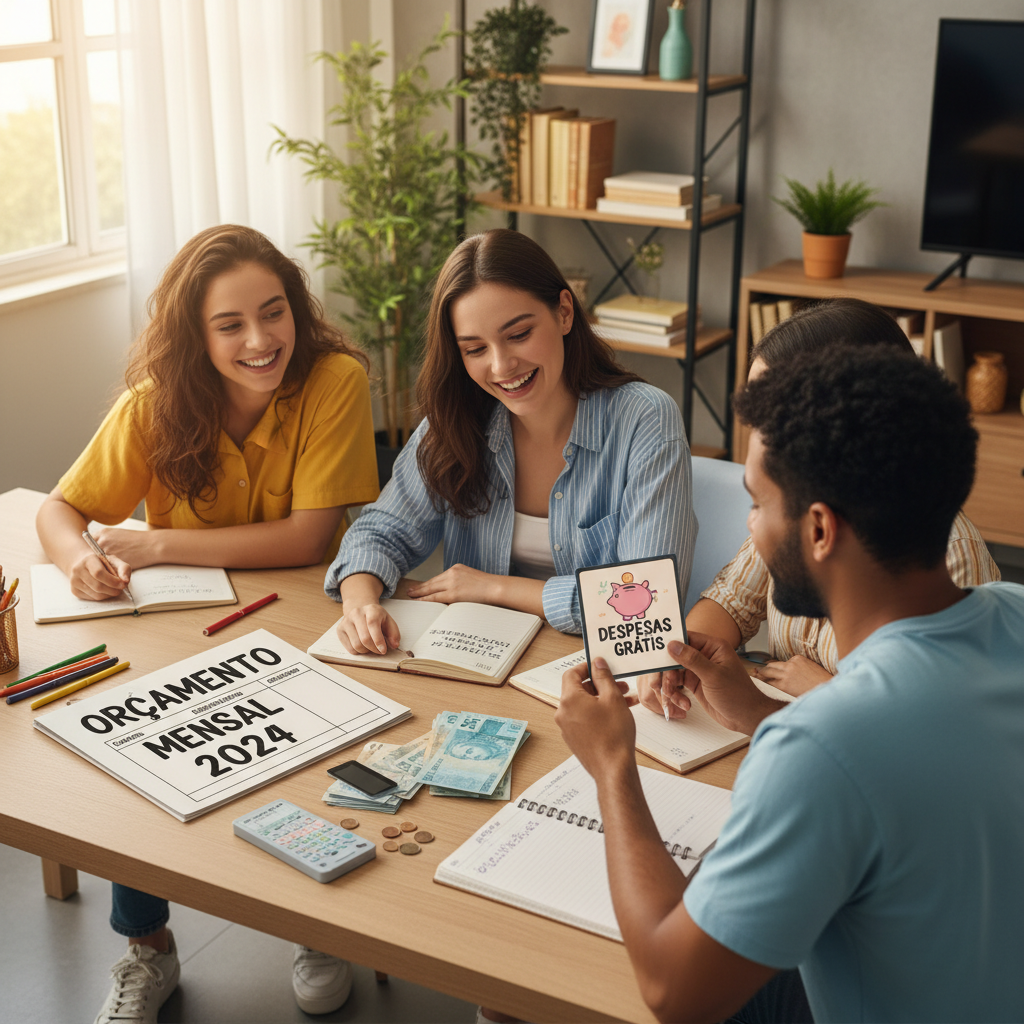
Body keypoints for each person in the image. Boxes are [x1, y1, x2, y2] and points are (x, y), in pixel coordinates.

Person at [555, 346, 1024, 1022]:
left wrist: (611, 766)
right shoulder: (1010, 611)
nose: (749, 526)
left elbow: (674, 993)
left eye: (757, 503)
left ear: (820, 528)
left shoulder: (825, 746)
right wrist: (758, 714)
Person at [36, 224, 380, 1023]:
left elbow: (309, 537)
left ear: (296, 310)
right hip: (186, 630)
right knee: (136, 755)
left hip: (298, 618)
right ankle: (145, 948)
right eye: (231, 325)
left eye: (274, 313)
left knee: (302, 739)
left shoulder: (333, 381)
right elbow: (62, 509)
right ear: (195, 335)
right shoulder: (156, 403)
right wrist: (75, 560)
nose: (261, 341)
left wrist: (155, 541)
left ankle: (315, 925)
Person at [326, 228, 697, 652]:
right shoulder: (457, 419)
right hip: (476, 659)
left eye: (518, 334)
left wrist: (495, 589)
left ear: (563, 312)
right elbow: (380, 531)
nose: (502, 366)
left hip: (597, 673)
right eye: (475, 349)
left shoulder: (645, 418)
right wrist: (360, 603)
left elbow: (648, 607)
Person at [639, 298, 998, 718]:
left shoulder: (951, 559)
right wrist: (678, 657)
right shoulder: (789, 508)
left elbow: (936, 730)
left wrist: (827, 692)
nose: (758, 439)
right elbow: (731, 601)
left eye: (772, 417)